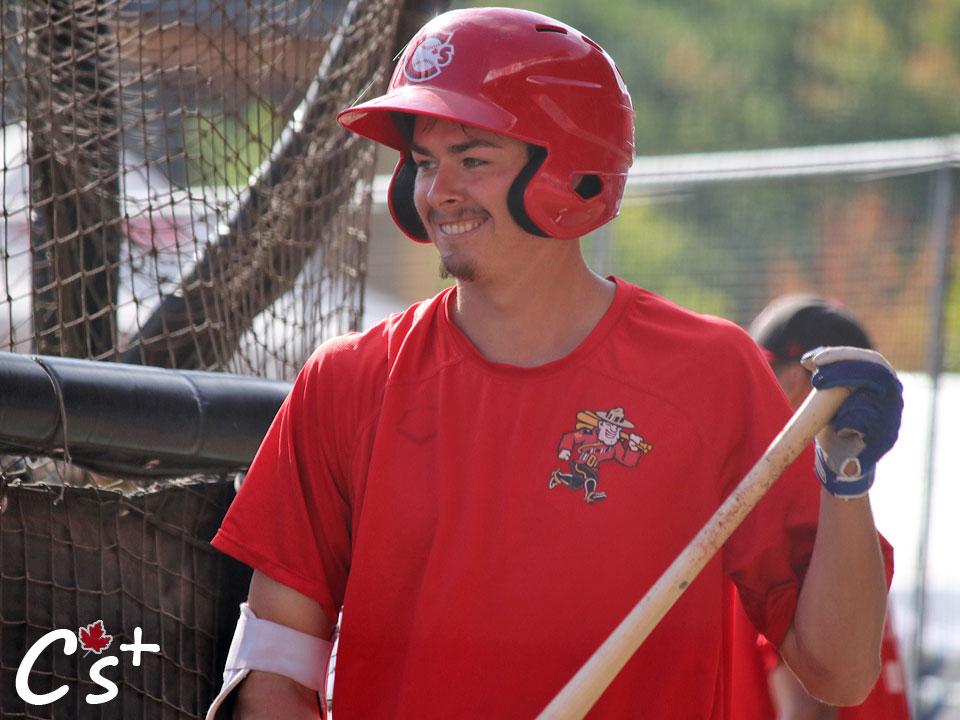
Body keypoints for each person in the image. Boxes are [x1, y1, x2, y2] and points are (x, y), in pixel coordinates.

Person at [204, 8, 903, 719]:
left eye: (472, 159)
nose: (436, 189)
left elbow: (840, 674)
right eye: (423, 160)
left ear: (575, 173)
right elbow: (271, 675)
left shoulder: (711, 373)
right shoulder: (346, 382)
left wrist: (846, 483)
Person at [729, 294, 911, 720]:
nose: (749, 392)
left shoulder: (788, 538)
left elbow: (805, 713)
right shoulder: (849, 541)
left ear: (797, 383)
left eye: (764, 373)